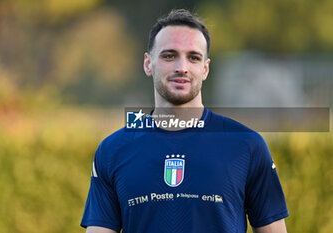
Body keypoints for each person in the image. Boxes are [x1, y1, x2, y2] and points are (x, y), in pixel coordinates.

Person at [81, 9, 289, 233]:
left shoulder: (247, 145)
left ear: (205, 69)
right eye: (169, 56)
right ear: (148, 64)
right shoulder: (113, 150)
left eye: (193, 57)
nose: (182, 67)